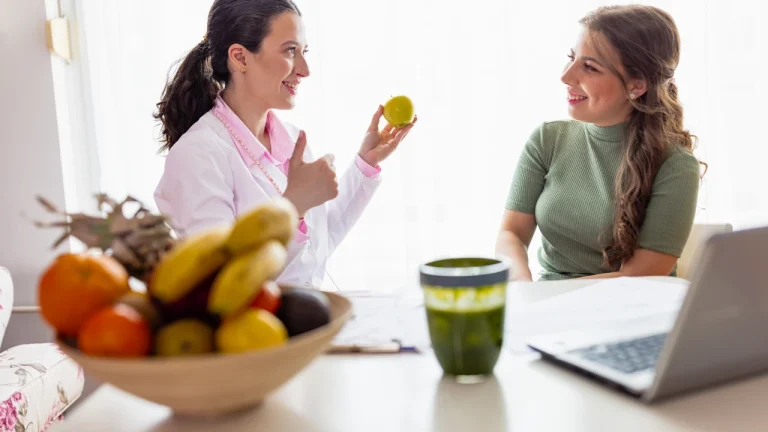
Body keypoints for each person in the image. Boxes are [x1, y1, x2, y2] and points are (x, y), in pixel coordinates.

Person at [153, 0, 416, 289]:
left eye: (304, 52)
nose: (305, 70)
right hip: (257, 331)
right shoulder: (197, 155)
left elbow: (317, 245)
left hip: (308, 318)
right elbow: (223, 282)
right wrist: (293, 208)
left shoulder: (291, 139)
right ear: (239, 58)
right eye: (290, 50)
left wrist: (366, 164)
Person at [496, 5, 703, 281]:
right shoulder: (547, 139)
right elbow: (512, 233)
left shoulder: (675, 164)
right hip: (549, 308)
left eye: (589, 67)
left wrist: (545, 298)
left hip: (633, 311)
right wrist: (522, 286)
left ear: (637, 85)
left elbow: (643, 275)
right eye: (571, 58)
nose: (566, 76)